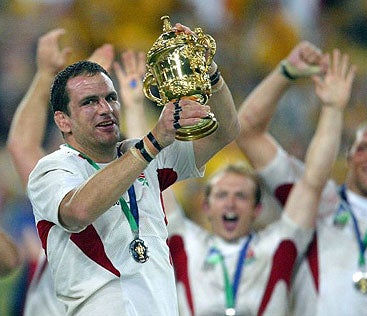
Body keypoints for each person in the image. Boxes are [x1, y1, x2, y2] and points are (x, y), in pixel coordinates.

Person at [26, 21, 239, 316]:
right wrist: (152, 143)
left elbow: (224, 131)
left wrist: (209, 71)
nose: (106, 109)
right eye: (89, 102)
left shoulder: (142, 154)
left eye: (110, 98)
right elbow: (78, 212)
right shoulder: (51, 170)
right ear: (63, 120)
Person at [166, 46, 350, 315]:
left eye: (241, 196)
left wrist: (333, 109)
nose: (231, 203)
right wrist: (136, 104)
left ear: (257, 209)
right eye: (221, 195)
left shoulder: (277, 245)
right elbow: (150, 175)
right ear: (206, 207)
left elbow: (312, 183)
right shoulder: (186, 242)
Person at [236, 43, 367, 316]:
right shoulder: (317, 199)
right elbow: (248, 132)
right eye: (364, 148)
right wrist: (286, 73)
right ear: (347, 155)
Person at [7, 28, 116, 315]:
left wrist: (46, 76)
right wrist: (46, 76)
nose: (61, 147)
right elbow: (22, 146)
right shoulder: (57, 181)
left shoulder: (131, 183)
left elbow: (22, 147)